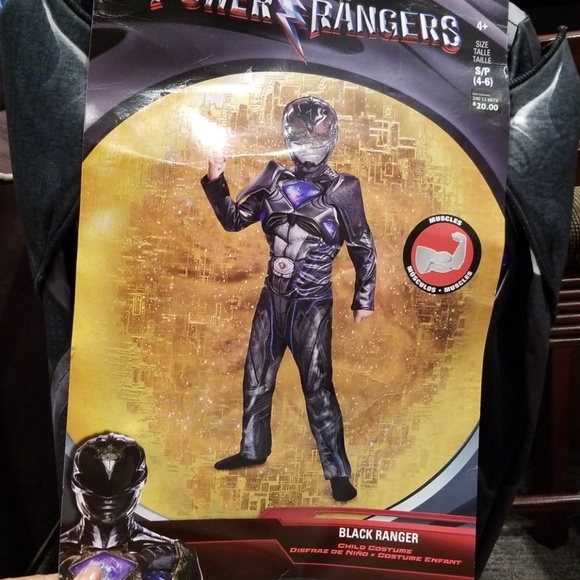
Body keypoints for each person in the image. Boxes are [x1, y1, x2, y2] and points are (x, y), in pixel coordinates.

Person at [201, 96, 377, 502]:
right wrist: (216, 178)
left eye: (317, 134)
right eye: (301, 133)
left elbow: (362, 245)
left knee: (317, 387)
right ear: (289, 136)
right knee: (256, 377)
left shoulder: (343, 189)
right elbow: (233, 220)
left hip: (312, 303)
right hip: (273, 298)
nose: (309, 142)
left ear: (330, 137)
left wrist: (364, 297)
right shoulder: (273, 178)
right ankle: (252, 449)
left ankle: (337, 471)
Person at [59, 433, 202, 579]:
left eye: (117, 495)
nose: (108, 501)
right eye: (98, 494)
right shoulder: (58, 552)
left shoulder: (173, 554)